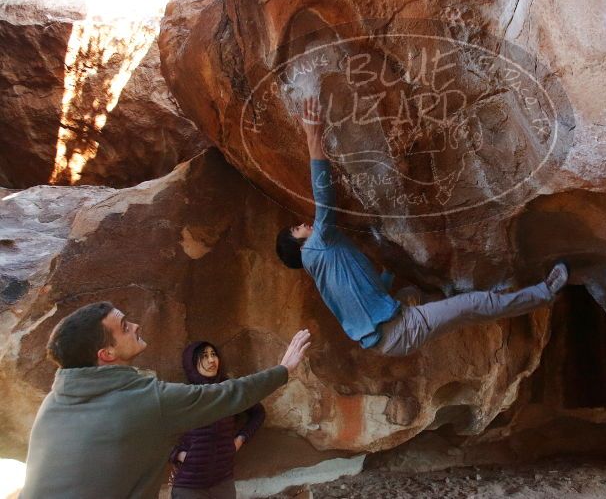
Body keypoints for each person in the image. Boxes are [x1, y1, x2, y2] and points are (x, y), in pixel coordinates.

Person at [275, 97, 569, 357]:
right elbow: (324, 196)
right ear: (299, 245)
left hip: (390, 332)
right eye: (296, 229)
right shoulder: (317, 248)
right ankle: (546, 293)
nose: (303, 224)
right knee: (474, 306)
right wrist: (313, 135)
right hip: (400, 329)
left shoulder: (325, 266)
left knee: (443, 297)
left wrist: (392, 273)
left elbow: (366, 290)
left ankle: (455, 295)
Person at [21, 301, 310, 499]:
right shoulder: (146, 401)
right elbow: (228, 396)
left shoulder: (53, 403)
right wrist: (284, 369)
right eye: (124, 327)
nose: (135, 325)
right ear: (106, 354)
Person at [169, 341, 265, 498]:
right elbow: (152, 430)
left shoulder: (229, 391)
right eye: (204, 356)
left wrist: (239, 441)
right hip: (189, 487)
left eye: (214, 354)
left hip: (223, 483)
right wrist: (178, 455)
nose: (211, 360)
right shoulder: (183, 396)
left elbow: (258, 413)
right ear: (191, 363)